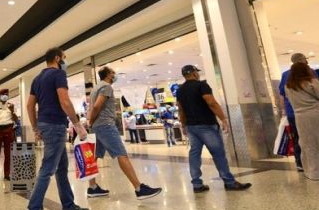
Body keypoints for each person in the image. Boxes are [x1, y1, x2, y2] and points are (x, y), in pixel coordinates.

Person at [23, 47, 89, 210]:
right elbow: (65, 101)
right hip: (55, 125)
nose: (65, 62)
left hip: (45, 124)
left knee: (61, 168)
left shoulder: (37, 78)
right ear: (58, 58)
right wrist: (77, 124)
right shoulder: (58, 74)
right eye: (64, 58)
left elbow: (30, 105)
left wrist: (36, 127)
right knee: (47, 169)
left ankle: (68, 206)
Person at [86, 66, 162, 199]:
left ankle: (92, 187)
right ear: (109, 75)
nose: (115, 75)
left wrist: (91, 122)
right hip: (105, 125)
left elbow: (92, 107)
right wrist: (91, 120)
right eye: (113, 73)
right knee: (121, 154)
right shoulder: (106, 87)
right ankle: (139, 188)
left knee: (94, 156)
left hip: (97, 127)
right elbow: (97, 106)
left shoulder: (95, 89)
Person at [176, 65, 251, 193]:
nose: (198, 74)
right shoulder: (202, 85)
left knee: (194, 154)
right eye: (197, 72)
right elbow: (212, 103)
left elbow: (181, 109)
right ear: (194, 73)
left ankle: (197, 185)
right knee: (218, 154)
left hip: (191, 127)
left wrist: (183, 125)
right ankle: (229, 182)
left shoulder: (180, 90)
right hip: (206, 125)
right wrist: (223, 118)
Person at [279, 53, 317, 172]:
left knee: (302, 140)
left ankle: (302, 165)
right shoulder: (310, 76)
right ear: (302, 62)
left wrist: (283, 111)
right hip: (314, 113)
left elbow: (282, 96)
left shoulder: (286, 80)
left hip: (295, 114)